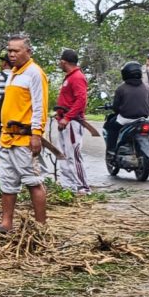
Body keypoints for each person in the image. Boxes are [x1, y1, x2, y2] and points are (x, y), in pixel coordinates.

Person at [0, 34, 49, 233]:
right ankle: (6, 223)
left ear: (28, 51)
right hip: (7, 137)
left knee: (33, 181)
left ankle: (40, 226)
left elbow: (40, 106)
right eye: (9, 50)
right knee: (7, 182)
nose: (12, 54)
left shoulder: (35, 73)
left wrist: (36, 134)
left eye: (16, 50)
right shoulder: (14, 73)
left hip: (24, 137)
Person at [104, 61, 149, 165]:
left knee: (111, 127)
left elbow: (116, 107)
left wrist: (116, 110)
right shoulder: (148, 88)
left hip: (126, 119)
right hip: (143, 119)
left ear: (125, 74)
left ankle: (111, 151)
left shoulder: (121, 88)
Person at [54, 48, 91, 196]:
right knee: (63, 154)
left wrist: (67, 117)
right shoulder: (70, 77)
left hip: (72, 122)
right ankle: (68, 186)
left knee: (73, 155)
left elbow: (81, 100)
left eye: (60, 62)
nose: (59, 64)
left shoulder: (77, 77)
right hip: (64, 121)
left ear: (64, 61)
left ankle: (83, 187)